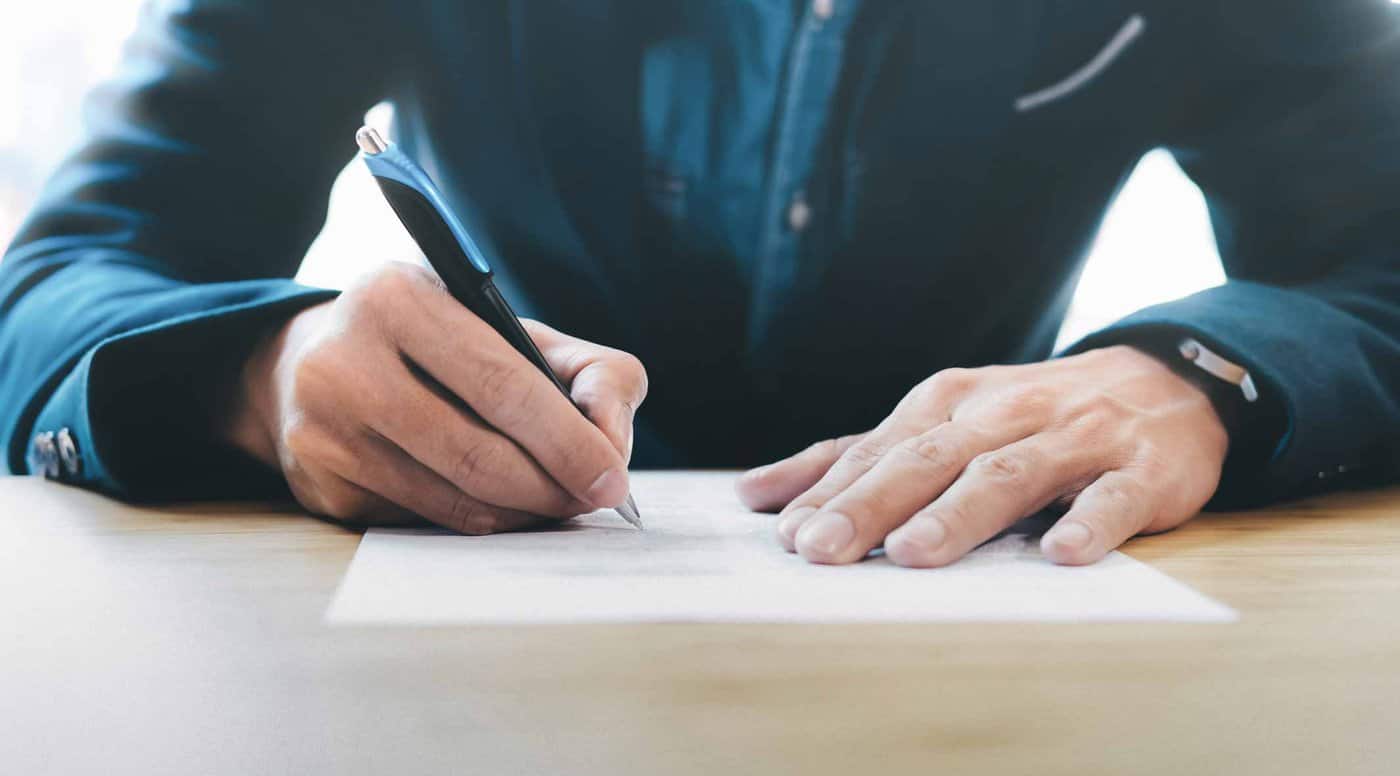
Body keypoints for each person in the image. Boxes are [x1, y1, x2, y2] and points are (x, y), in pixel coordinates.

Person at [3, 1, 1398, 568]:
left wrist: (1196, 374)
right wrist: (265, 375)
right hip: (494, 660)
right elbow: (54, 283)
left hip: (967, 641)